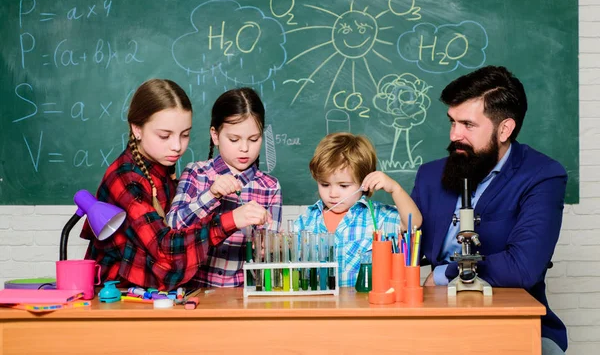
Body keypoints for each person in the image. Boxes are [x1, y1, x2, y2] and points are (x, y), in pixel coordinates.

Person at [411, 66, 567, 354]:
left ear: (504, 129)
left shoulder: (542, 175)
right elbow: (407, 248)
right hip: (436, 317)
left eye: (468, 125)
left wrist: (444, 274)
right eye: (452, 122)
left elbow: (524, 267)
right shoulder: (430, 175)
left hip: (513, 319)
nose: (455, 134)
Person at [80, 79, 268, 291]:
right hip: (116, 297)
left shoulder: (162, 168)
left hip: (155, 295)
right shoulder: (125, 178)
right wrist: (231, 219)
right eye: (164, 135)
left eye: (185, 134)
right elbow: (165, 249)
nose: (177, 146)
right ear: (137, 129)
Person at [167, 87, 282, 287]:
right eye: (234, 139)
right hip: (195, 292)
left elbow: (271, 257)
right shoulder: (197, 173)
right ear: (215, 135)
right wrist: (211, 195)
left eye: (254, 139)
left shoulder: (269, 187)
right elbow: (173, 227)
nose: (245, 148)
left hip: (243, 294)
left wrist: (268, 245)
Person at [293, 132, 422, 287]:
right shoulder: (306, 221)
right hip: (318, 308)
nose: (333, 194)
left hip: (364, 307)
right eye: (325, 184)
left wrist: (395, 189)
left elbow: (414, 222)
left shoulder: (377, 217)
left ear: (364, 182)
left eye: (344, 186)